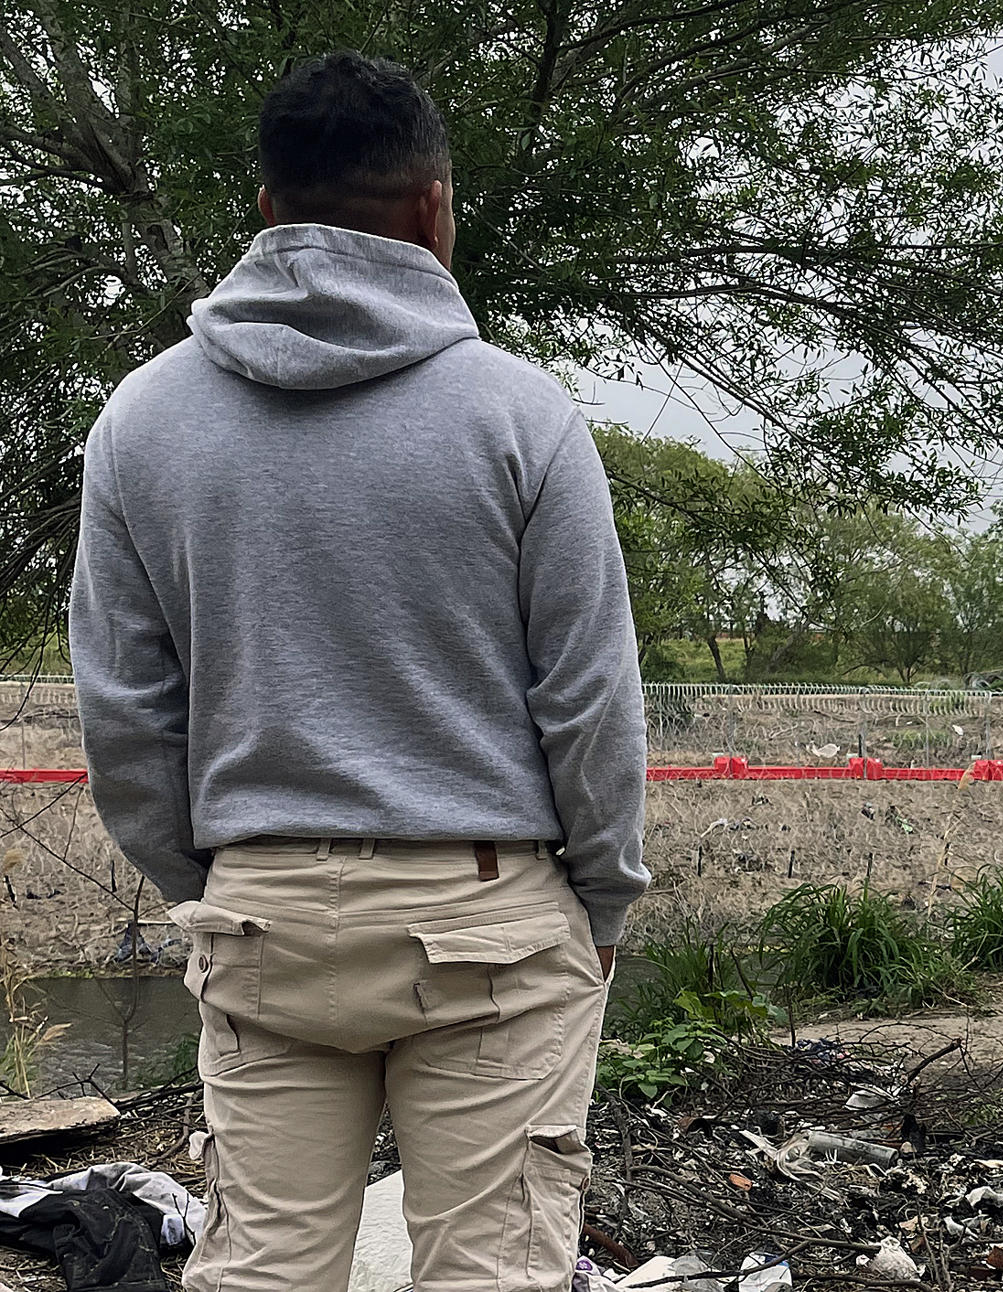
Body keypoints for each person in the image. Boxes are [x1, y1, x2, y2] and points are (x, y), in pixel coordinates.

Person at [68, 51, 650, 1292]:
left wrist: (224, 869)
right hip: (491, 922)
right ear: (436, 208)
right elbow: (590, 700)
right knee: (489, 1272)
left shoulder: (142, 422)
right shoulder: (521, 415)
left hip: (265, 915)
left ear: (268, 211)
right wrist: (599, 901)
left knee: (261, 1269)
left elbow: (125, 719)